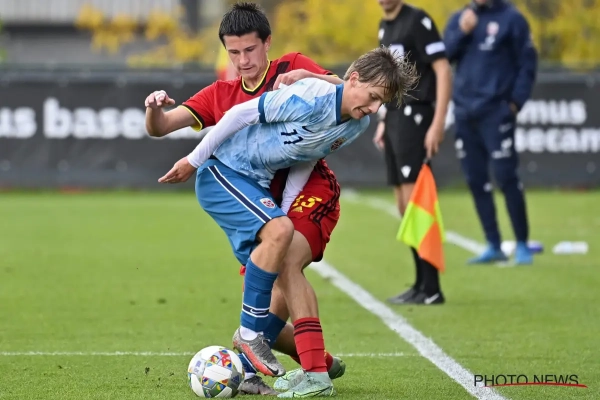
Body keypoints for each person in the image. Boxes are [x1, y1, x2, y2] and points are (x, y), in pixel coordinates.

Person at [159, 46, 417, 397]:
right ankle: (267, 346)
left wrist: (282, 210)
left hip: (268, 186)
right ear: (354, 79)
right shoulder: (308, 96)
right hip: (228, 172)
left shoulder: (358, 124)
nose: (374, 108)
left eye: (380, 103)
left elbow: (305, 157)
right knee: (279, 257)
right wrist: (193, 159)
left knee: (283, 254)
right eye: (373, 97)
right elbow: (237, 115)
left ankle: (272, 360)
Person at [144, 2, 351, 394]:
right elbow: (161, 127)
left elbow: (346, 89)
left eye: (250, 50)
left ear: (267, 43)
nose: (243, 61)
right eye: (234, 52)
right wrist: (153, 110)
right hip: (257, 202)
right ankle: (316, 362)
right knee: (269, 302)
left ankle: (310, 371)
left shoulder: (291, 66)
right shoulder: (220, 94)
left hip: (309, 190)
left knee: (284, 266)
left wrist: (307, 76)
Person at [444, 0, 537, 265]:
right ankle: (493, 244)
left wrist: (515, 103)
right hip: (464, 112)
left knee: (506, 176)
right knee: (476, 179)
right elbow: (442, 57)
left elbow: (527, 63)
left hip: (496, 112)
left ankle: (522, 244)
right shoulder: (461, 18)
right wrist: (462, 32)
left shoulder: (512, 18)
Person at [373, 0, 452, 305]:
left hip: (416, 116)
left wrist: (438, 123)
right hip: (395, 116)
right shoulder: (384, 26)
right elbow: (390, 80)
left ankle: (431, 287)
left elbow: (442, 70)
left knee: (416, 201)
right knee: (403, 206)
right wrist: (383, 118)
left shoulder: (418, 20)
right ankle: (420, 283)